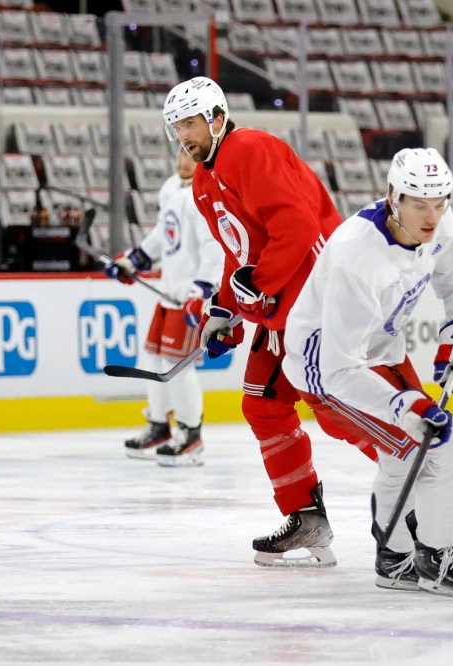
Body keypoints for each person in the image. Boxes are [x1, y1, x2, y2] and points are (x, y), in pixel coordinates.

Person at [162, 76, 377, 567]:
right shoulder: (203, 178)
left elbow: (297, 227)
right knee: (262, 403)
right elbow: (240, 251)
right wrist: (225, 309)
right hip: (287, 304)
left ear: (216, 117)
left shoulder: (251, 149)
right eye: (177, 128)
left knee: (333, 407)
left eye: (191, 123)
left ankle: (413, 476)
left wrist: (256, 288)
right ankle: (306, 518)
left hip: (317, 297)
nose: (184, 136)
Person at [281, 147, 453, 601]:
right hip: (327, 370)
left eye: (440, 203)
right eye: (419, 204)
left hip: (382, 350)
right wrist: (404, 405)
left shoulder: (442, 219)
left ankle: (394, 557)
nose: (432, 216)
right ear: (392, 198)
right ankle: (434, 557)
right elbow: (339, 368)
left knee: (405, 456)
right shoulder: (355, 256)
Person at [104, 149, 224, 467]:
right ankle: (159, 424)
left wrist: (204, 288)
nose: (184, 159)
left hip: (189, 295)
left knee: (178, 365)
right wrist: (135, 259)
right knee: (155, 358)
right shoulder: (171, 187)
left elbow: (215, 245)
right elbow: (163, 235)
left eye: (190, 154)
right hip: (167, 291)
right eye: (181, 153)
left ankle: (191, 434)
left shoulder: (206, 192)